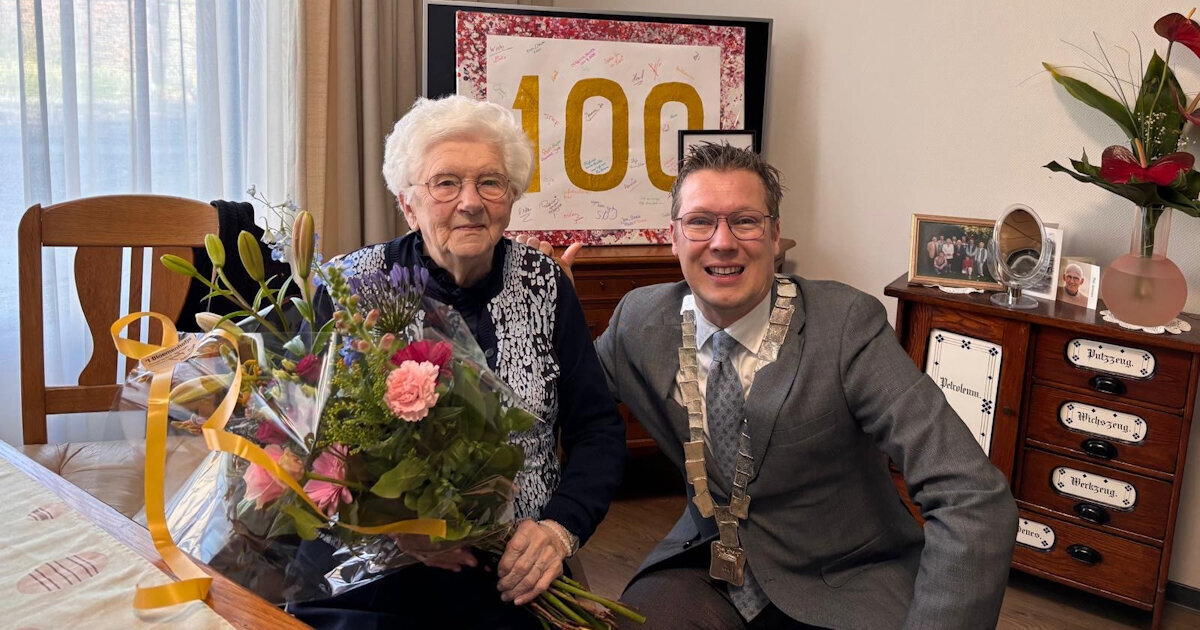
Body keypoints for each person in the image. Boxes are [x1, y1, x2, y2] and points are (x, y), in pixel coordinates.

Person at [591, 144, 1017, 629]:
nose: (722, 242)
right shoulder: (640, 320)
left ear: (775, 236)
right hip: (709, 565)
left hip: (844, 580)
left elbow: (971, 495)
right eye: (700, 221)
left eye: (745, 221)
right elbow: (563, 405)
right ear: (674, 237)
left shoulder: (845, 326)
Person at [290, 94, 627, 629]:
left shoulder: (545, 286)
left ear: (511, 196)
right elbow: (296, 439)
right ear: (408, 203)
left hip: (512, 564)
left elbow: (598, 430)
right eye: (446, 183)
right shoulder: (348, 288)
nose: (470, 201)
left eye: (490, 182)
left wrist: (559, 529)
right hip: (367, 564)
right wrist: (389, 523)